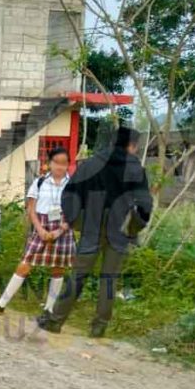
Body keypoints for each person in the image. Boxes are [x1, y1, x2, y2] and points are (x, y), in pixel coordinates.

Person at [38, 127, 153, 337]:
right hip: (120, 228)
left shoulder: (91, 164)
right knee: (109, 278)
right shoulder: (136, 169)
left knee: (78, 275)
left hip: (92, 223)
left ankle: (55, 321)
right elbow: (145, 205)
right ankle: (99, 326)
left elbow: (70, 194)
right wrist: (134, 227)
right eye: (136, 146)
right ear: (131, 145)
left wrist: (77, 221)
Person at [0, 146, 73, 314]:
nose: (60, 166)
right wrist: (40, 230)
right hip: (40, 226)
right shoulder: (40, 182)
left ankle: (49, 308)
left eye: (64, 163)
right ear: (49, 163)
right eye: (56, 162)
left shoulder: (73, 185)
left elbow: (75, 211)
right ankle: (1, 304)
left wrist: (59, 231)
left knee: (58, 269)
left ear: (68, 164)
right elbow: (31, 209)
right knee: (25, 264)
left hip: (63, 228)